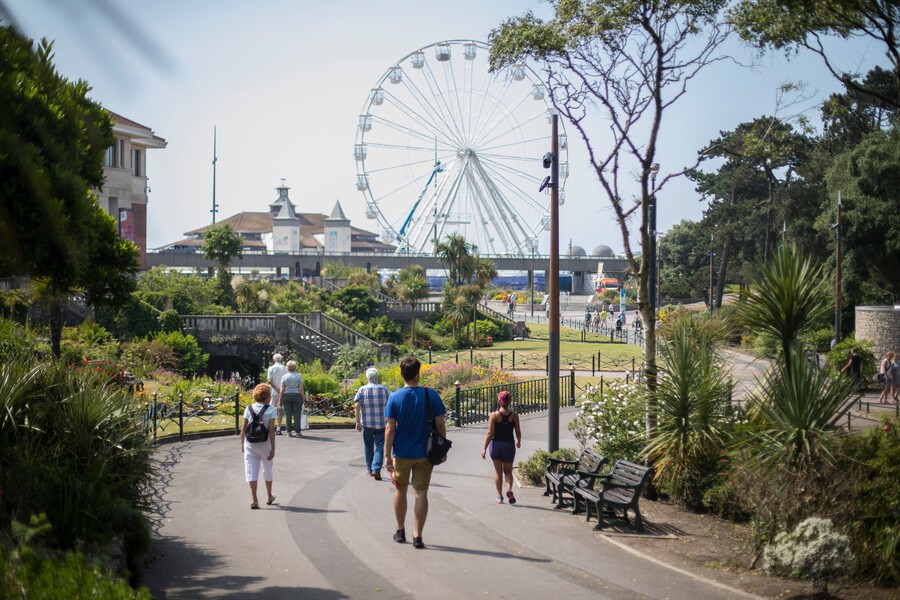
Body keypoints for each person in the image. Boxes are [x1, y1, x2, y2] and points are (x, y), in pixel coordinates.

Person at [384, 356, 447, 550]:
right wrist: (442, 447)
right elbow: (440, 423)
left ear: (401, 374)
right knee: (420, 493)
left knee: (400, 490)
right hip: (425, 453)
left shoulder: (395, 397)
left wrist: (387, 455)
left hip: (402, 453)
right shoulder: (431, 395)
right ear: (418, 374)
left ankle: (400, 530)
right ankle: (418, 535)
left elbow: (390, 428)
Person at [481, 390, 522, 504]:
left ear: (499, 401)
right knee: (508, 471)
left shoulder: (494, 415)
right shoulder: (514, 416)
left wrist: (484, 448)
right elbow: (518, 431)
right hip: (509, 445)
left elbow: (490, 433)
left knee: (498, 472)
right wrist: (518, 441)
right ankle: (509, 489)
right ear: (510, 401)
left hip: (496, 445)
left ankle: (499, 497)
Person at [241, 384, 276, 509]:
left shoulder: (248, 408)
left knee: (251, 470)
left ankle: (254, 500)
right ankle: (269, 495)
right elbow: (271, 430)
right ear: (267, 397)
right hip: (265, 443)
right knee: (267, 469)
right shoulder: (271, 410)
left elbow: (243, 429)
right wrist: (273, 448)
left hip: (250, 443)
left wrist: (242, 443)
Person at [354, 367, 391, 480]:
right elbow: (391, 403)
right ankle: (376, 469)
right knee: (380, 446)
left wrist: (357, 422)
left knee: (368, 446)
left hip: (367, 423)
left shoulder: (362, 389)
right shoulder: (384, 389)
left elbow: (357, 406)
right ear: (377, 377)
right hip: (381, 423)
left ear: (367, 377)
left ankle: (370, 470)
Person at [279, 360, 306, 437]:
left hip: (287, 395)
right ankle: (297, 432)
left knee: (288, 414)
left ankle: (288, 432)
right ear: (295, 367)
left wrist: (280, 397)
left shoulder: (284, 377)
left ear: (287, 367)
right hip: (297, 395)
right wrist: (303, 397)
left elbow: (282, 389)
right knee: (297, 414)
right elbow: (301, 388)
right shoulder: (299, 376)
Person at [267, 353, 289, 435]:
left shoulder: (271, 368)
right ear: (281, 359)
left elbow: (269, 380)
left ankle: (270, 426)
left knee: (270, 409)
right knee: (280, 409)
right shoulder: (285, 368)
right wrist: (281, 389)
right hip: (282, 391)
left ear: (274, 359)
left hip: (273, 391)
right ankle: (278, 427)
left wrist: (276, 388)